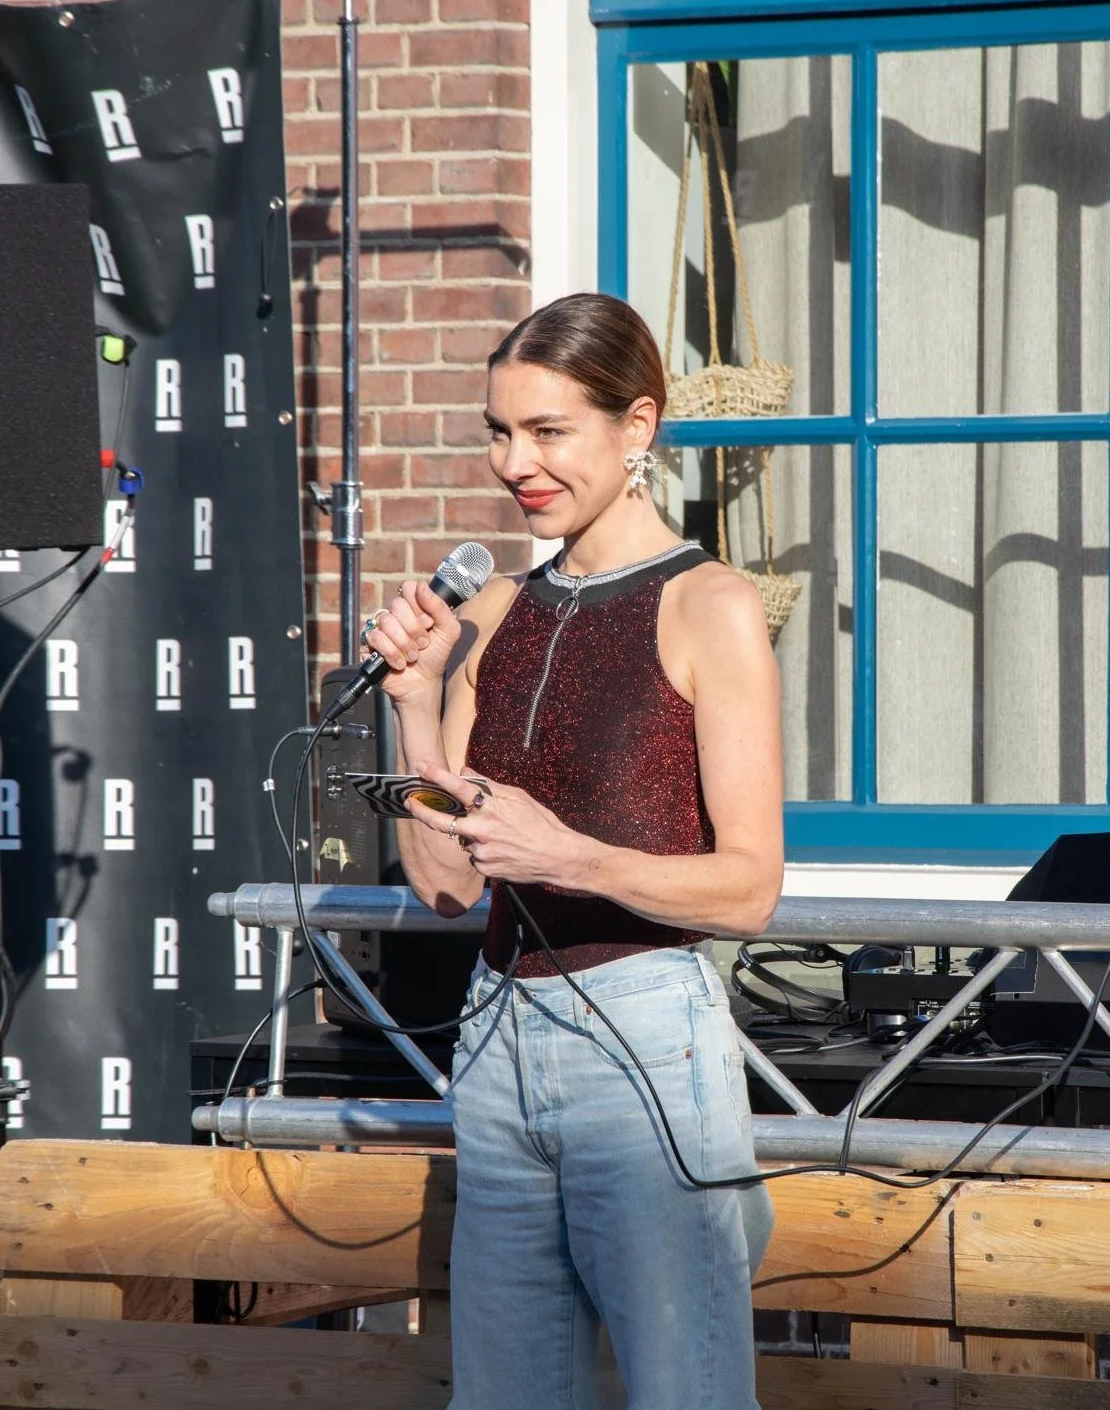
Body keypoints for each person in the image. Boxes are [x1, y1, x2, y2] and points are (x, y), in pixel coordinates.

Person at [361, 291, 783, 1410]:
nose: (516, 462)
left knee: (682, 1393)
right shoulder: (498, 608)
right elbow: (447, 880)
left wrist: (567, 854)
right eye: (500, 432)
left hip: (644, 1040)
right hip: (496, 1039)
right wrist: (414, 706)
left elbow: (748, 889)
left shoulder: (709, 603)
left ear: (636, 427)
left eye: (548, 432)